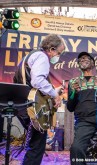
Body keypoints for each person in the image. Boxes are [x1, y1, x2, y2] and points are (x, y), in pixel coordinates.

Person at [13, 34, 66, 165]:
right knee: (37, 147)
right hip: (30, 107)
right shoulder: (42, 57)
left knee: (34, 145)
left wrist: (54, 90)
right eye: (58, 53)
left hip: (22, 104)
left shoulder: (31, 56)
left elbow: (34, 83)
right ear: (51, 49)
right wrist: (55, 95)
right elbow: (37, 81)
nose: (57, 56)